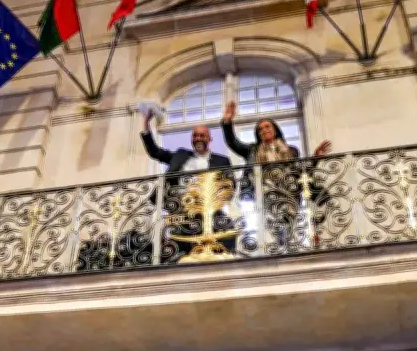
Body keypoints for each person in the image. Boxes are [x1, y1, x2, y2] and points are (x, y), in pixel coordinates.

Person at [221, 100, 332, 249]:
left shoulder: (291, 150)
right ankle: (278, 247)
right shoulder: (252, 150)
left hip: (289, 193)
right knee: (272, 225)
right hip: (265, 193)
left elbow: (300, 172)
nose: (264, 130)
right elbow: (233, 143)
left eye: (267, 127)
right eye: (260, 129)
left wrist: (316, 157)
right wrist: (227, 122)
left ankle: (287, 247)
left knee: (289, 224)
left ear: (275, 129)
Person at [140, 109, 237, 262]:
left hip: (209, 209)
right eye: (195, 135)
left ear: (209, 139)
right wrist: (146, 124)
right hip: (182, 208)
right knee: (181, 246)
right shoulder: (180, 155)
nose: (198, 138)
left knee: (227, 232)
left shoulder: (221, 160)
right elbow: (155, 152)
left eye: (202, 135)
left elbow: (230, 185)